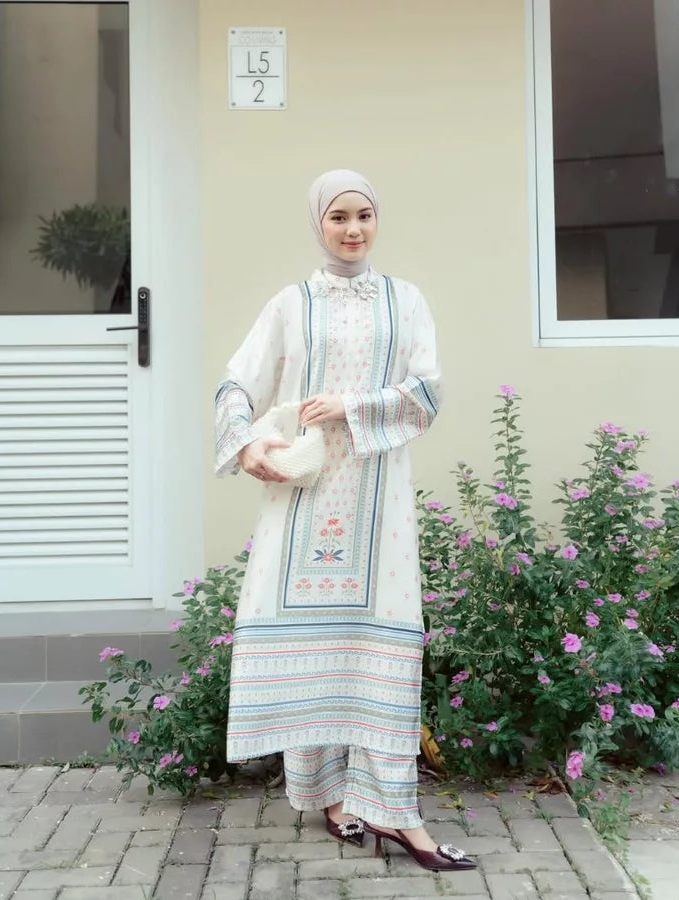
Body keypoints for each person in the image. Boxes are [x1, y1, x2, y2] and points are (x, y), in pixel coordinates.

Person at [213, 169, 475, 871]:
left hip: (377, 497)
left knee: (377, 643)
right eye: (338, 217)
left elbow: (427, 390)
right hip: (303, 499)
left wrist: (351, 409)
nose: (353, 228)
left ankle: (396, 812)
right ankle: (331, 797)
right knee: (315, 643)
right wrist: (248, 445)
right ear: (317, 224)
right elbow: (237, 382)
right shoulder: (291, 305)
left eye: (363, 215)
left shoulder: (406, 300)